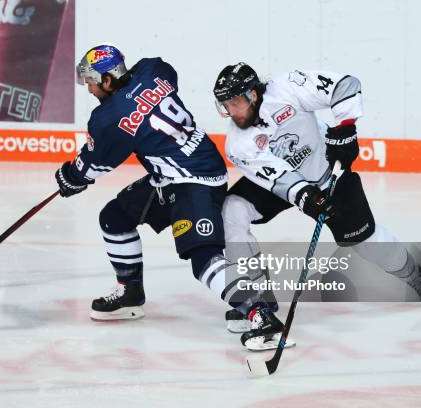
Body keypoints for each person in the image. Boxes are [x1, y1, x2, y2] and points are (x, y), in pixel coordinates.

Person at [55, 45, 280, 350]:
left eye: (92, 81)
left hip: (194, 181)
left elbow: (92, 166)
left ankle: (260, 314)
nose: (90, 88)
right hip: (177, 173)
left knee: (203, 258)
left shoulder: (107, 118)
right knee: (115, 217)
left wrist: (70, 176)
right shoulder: (151, 69)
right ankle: (130, 293)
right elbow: (167, 77)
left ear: (108, 79)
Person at [213, 63, 421, 342]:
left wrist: (346, 127)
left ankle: (412, 273)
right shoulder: (238, 144)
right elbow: (278, 179)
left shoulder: (286, 86)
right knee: (231, 210)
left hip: (326, 170)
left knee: (366, 242)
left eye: (235, 101)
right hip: (281, 182)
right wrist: (305, 195)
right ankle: (258, 300)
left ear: (253, 94)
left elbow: (345, 85)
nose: (231, 111)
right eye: (225, 104)